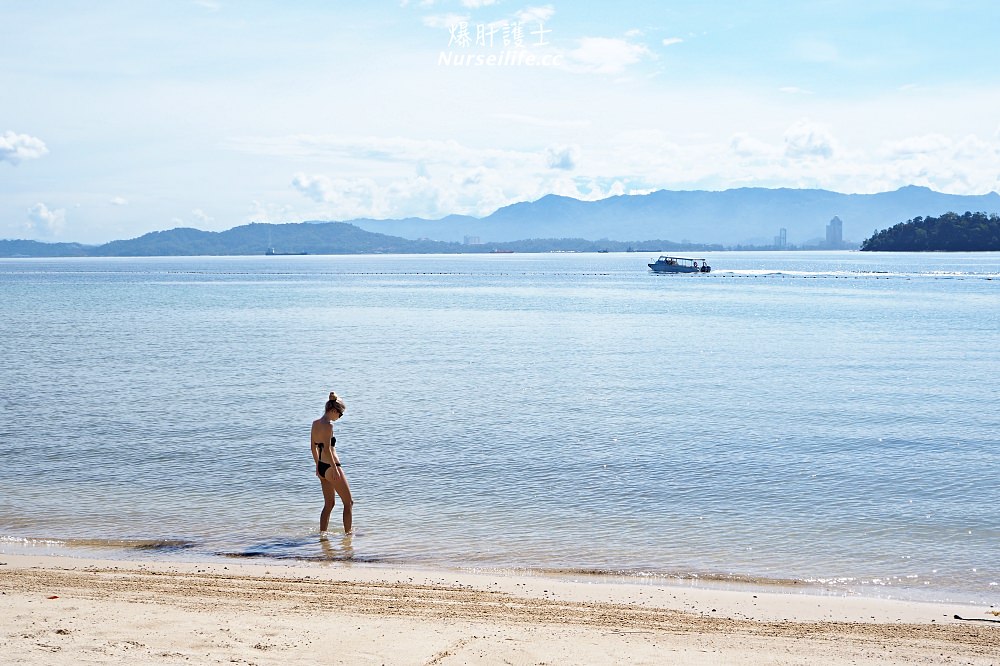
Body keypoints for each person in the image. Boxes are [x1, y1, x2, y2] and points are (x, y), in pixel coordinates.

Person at [311, 391, 353, 533]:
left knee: (329, 504)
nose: (340, 417)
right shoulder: (328, 426)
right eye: (340, 414)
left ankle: (322, 536)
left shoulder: (315, 423)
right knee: (349, 503)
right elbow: (328, 450)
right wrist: (335, 469)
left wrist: (317, 465)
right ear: (333, 410)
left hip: (322, 467)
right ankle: (348, 536)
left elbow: (313, 447)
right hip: (331, 466)